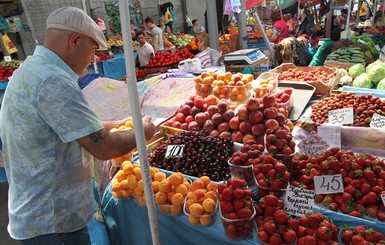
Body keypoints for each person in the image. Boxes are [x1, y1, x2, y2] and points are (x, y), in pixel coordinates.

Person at [0, 6, 155, 245]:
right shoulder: (53, 81)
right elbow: (103, 147)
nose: (93, 58)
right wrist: (142, 132)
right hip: (53, 224)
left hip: (39, 216)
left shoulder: (31, 69)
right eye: (93, 49)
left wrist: (121, 123)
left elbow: (73, 127)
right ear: (75, 40)